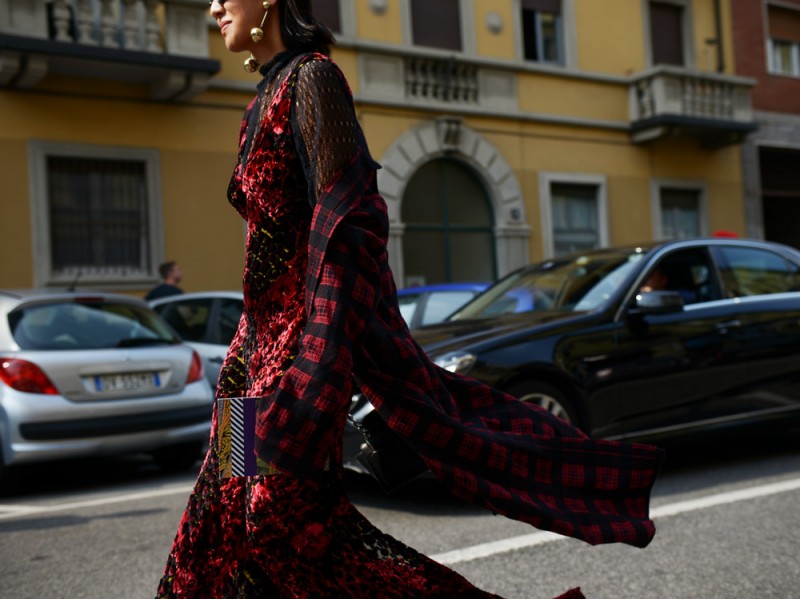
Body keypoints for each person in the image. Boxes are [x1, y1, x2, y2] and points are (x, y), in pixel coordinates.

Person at [156, 2, 664, 597]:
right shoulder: (256, 104)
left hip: (294, 366)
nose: (214, 4)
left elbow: (353, 230)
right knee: (221, 526)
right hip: (247, 363)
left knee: (282, 527)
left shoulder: (314, 80)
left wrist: (319, 368)